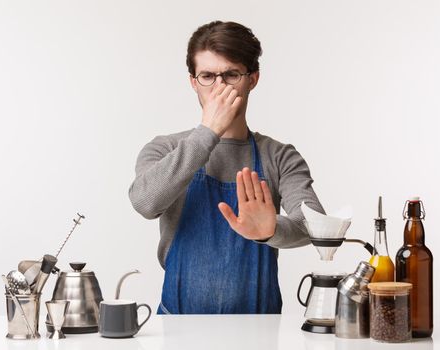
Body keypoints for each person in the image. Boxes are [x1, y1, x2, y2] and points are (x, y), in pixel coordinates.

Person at [129, 20, 324, 314]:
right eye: (207, 75)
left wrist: (270, 229)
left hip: (260, 329)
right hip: (178, 326)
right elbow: (144, 202)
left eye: (231, 74)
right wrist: (208, 131)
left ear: (253, 79)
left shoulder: (280, 156)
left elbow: (315, 226)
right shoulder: (165, 148)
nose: (219, 87)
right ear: (193, 81)